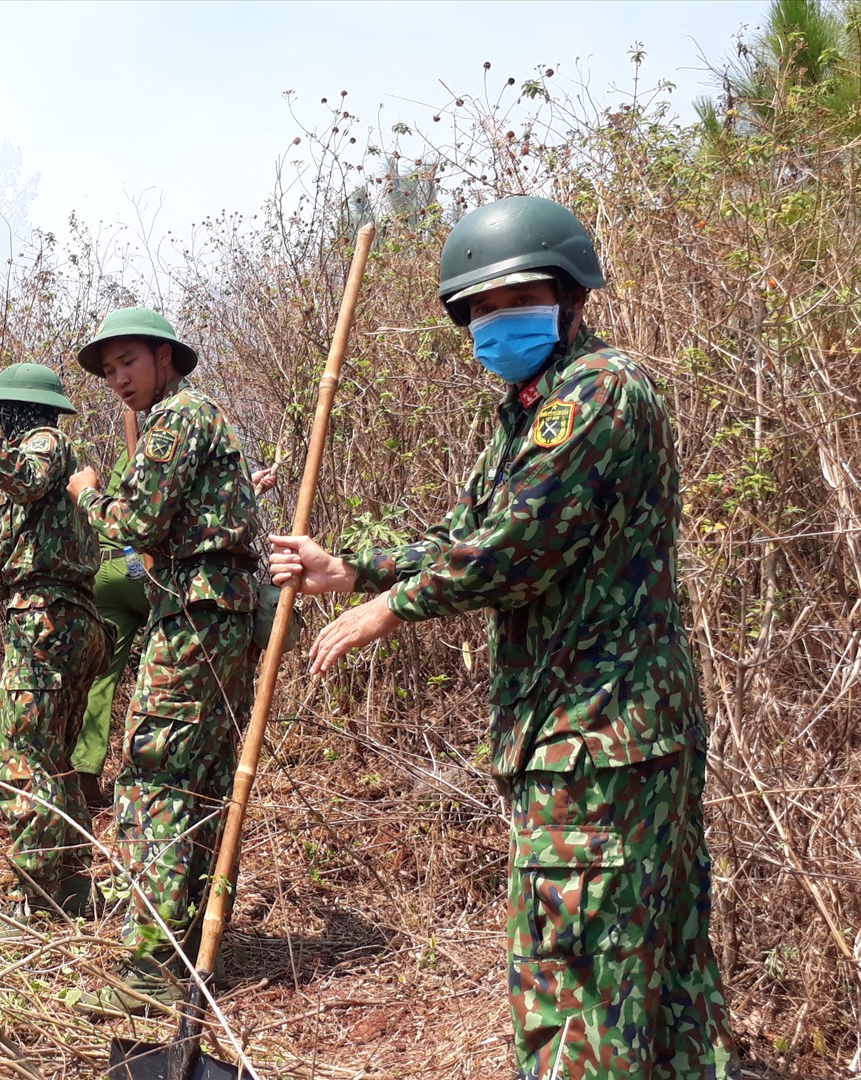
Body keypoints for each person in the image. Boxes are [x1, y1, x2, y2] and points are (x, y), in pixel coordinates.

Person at [268, 196, 736, 1079]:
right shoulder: (528, 410)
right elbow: (466, 532)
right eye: (477, 308)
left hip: (599, 736)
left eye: (512, 296)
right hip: (594, 736)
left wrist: (389, 611)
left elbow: (518, 549)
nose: (492, 319)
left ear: (569, 294)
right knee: (647, 972)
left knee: (582, 983)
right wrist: (354, 567)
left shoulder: (598, 392)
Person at [65, 307, 265, 1014]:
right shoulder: (185, 419)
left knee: (156, 775)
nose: (118, 378)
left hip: (196, 616)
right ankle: (194, 946)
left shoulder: (180, 418)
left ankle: (149, 968)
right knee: (202, 774)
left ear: (164, 357)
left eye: (128, 362)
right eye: (109, 369)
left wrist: (89, 494)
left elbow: (133, 526)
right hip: (221, 614)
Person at [0, 362, 105, 918]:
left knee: (20, 761)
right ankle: (70, 883)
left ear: (14, 410)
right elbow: (47, 540)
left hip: (50, 623)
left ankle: (32, 895)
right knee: (53, 760)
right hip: (61, 614)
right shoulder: (53, 452)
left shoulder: (46, 441)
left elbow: (23, 479)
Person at [72, 456, 278, 812]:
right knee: (173, 663)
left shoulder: (133, 456)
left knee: (102, 678)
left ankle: (85, 773)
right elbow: (196, 522)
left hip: (107, 571)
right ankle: (169, 773)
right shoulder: (178, 451)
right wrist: (251, 490)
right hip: (146, 570)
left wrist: (253, 486)